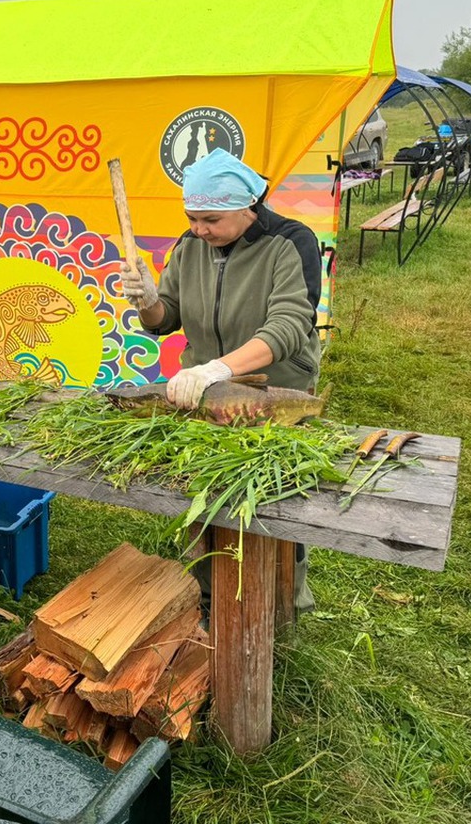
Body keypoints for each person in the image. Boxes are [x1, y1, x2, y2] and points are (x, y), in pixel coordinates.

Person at [119, 147, 321, 612]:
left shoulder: (291, 244)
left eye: (209, 219)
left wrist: (219, 368)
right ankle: (208, 598)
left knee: (271, 502)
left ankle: (282, 602)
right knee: (203, 492)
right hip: (204, 399)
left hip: (271, 396)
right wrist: (147, 298)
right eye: (192, 217)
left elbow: (291, 325)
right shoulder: (190, 247)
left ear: (246, 207)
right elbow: (164, 318)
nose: (198, 229)